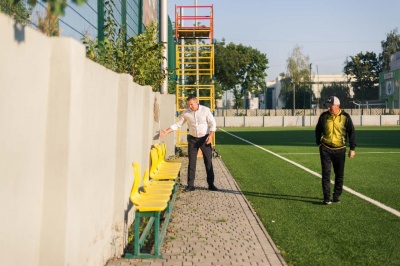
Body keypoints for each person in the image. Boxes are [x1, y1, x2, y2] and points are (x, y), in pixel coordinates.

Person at [160, 95, 218, 192]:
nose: (190, 106)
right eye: (189, 105)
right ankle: (190, 185)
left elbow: (213, 124)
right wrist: (166, 131)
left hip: (205, 138)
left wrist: (211, 136)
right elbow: (178, 124)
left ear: (196, 102)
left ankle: (211, 184)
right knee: (192, 162)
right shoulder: (186, 113)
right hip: (192, 140)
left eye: (191, 104)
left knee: (208, 161)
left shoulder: (205, 110)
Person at [315, 96, 356, 205]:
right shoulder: (323, 116)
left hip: (340, 150)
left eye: (330, 106)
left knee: (339, 174)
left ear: (337, 106)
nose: (328, 108)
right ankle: (326, 198)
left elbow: (351, 133)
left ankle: (336, 195)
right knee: (326, 174)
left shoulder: (345, 117)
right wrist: (319, 142)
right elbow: (318, 129)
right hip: (325, 149)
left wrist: (352, 148)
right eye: (327, 106)